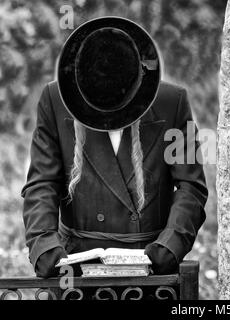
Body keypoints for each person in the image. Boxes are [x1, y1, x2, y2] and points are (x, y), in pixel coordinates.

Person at [21, 17, 208, 278]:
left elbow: (190, 186)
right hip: (76, 268)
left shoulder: (173, 102)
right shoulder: (54, 100)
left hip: (150, 268)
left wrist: (170, 246)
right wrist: (43, 246)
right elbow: (42, 182)